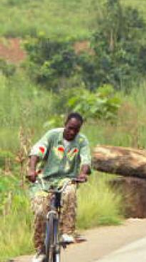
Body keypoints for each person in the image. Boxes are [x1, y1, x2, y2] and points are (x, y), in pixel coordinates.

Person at [27, 112, 91, 262]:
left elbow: (85, 159)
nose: (72, 132)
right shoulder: (52, 135)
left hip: (66, 180)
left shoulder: (82, 141)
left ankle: (67, 232)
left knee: (70, 191)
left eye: (76, 130)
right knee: (40, 211)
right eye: (70, 128)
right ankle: (40, 250)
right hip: (45, 180)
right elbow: (37, 151)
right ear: (65, 124)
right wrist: (31, 169)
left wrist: (82, 174)